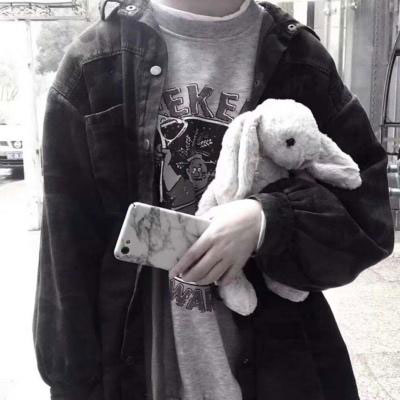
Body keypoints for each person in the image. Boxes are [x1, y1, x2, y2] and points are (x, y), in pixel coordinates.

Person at [32, 0, 395, 399]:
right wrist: (72, 383)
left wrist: (268, 219)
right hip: (141, 371)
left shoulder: (300, 58)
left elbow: (368, 213)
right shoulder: (95, 63)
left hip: (280, 367)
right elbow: (65, 255)